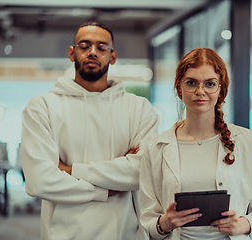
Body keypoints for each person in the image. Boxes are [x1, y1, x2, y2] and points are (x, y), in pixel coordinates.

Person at [20, 21, 159, 240]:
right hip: (63, 234)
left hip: (124, 232)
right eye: (84, 46)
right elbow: (39, 181)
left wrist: (69, 170)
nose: (93, 52)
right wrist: (107, 189)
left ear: (112, 56)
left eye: (102, 47)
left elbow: (141, 172)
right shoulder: (42, 106)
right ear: (71, 53)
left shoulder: (139, 109)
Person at [139, 48, 252, 240]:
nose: (200, 91)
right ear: (179, 88)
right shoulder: (156, 148)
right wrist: (165, 223)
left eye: (210, 84)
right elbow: (147, 220)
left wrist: (241, 225)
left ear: (221, 89)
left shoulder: (247, 141)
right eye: (191, 83)